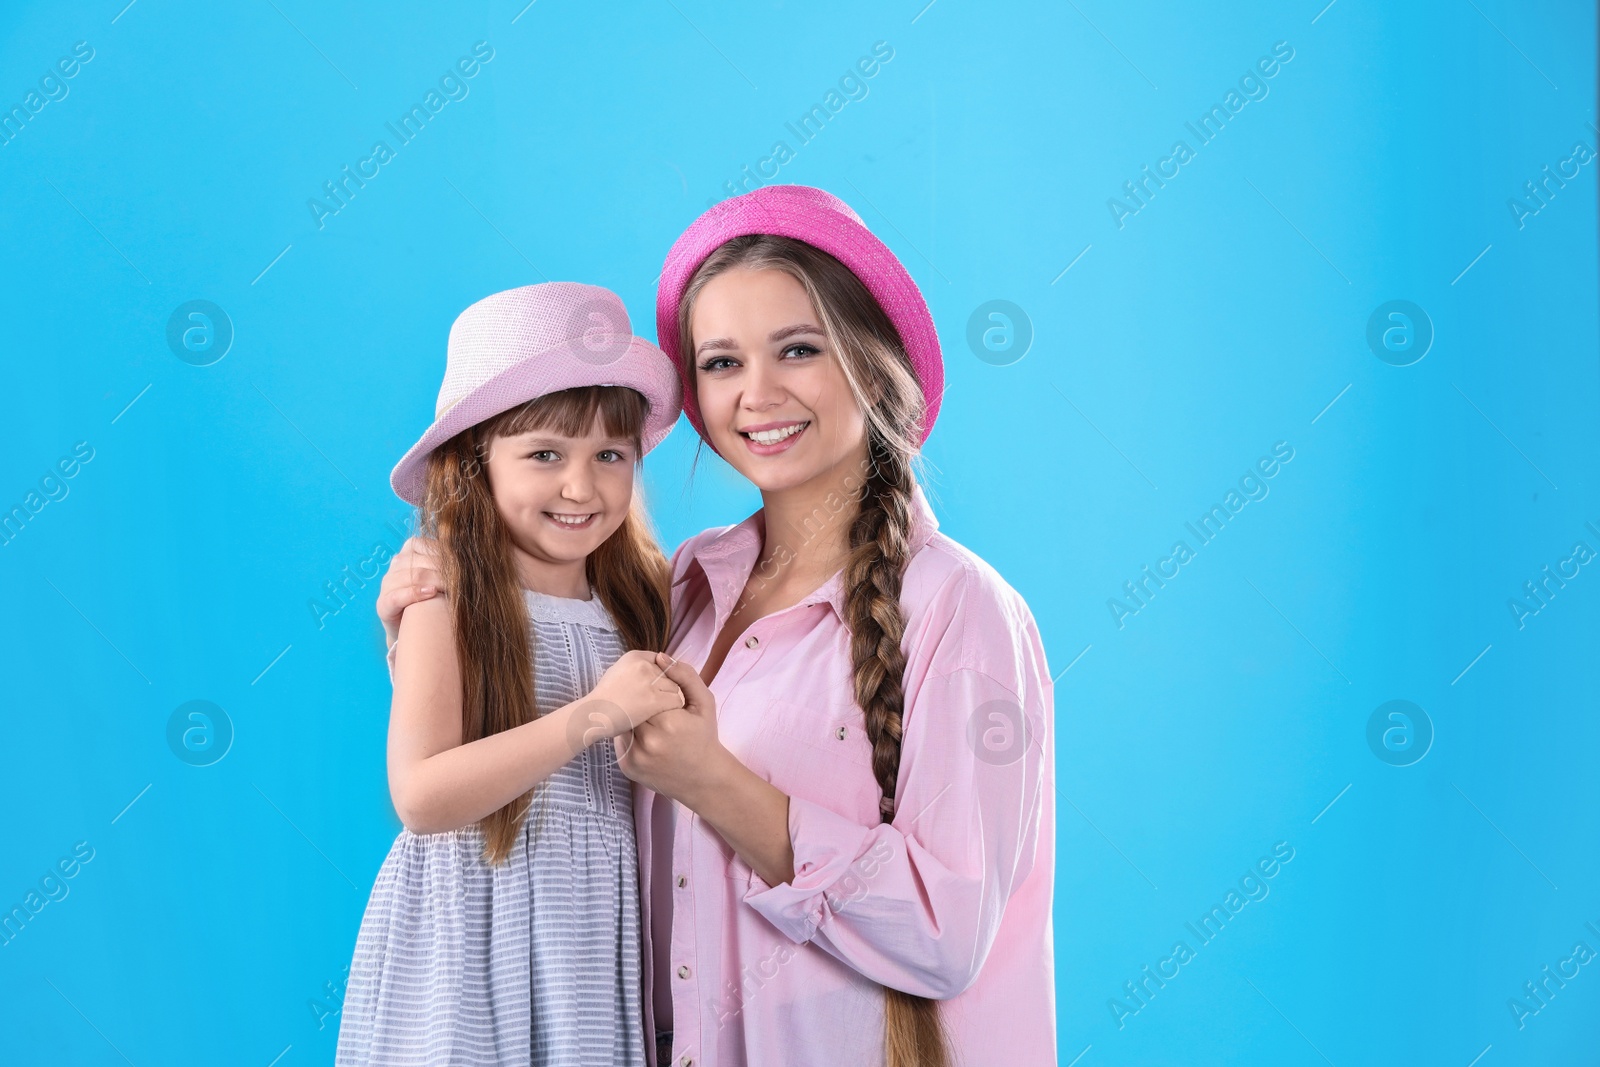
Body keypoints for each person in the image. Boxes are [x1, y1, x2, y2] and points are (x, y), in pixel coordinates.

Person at [378, 186, 1057, 1067]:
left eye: (799, 349)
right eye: (723, 362)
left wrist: (715, 781)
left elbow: (945, 934)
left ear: (873, 361)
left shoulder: (959, 608)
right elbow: (539, 739)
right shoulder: (682, 589)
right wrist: (434, 605)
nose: (759, 393)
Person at [340, 281, 686, 1067]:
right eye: (544, 454)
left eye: (610, 454)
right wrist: (592, 715)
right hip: (471, 938)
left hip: (589, 944)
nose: (580, 485)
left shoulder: (643, 599)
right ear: (475, 465)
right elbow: (422, 795)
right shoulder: (445, 595)